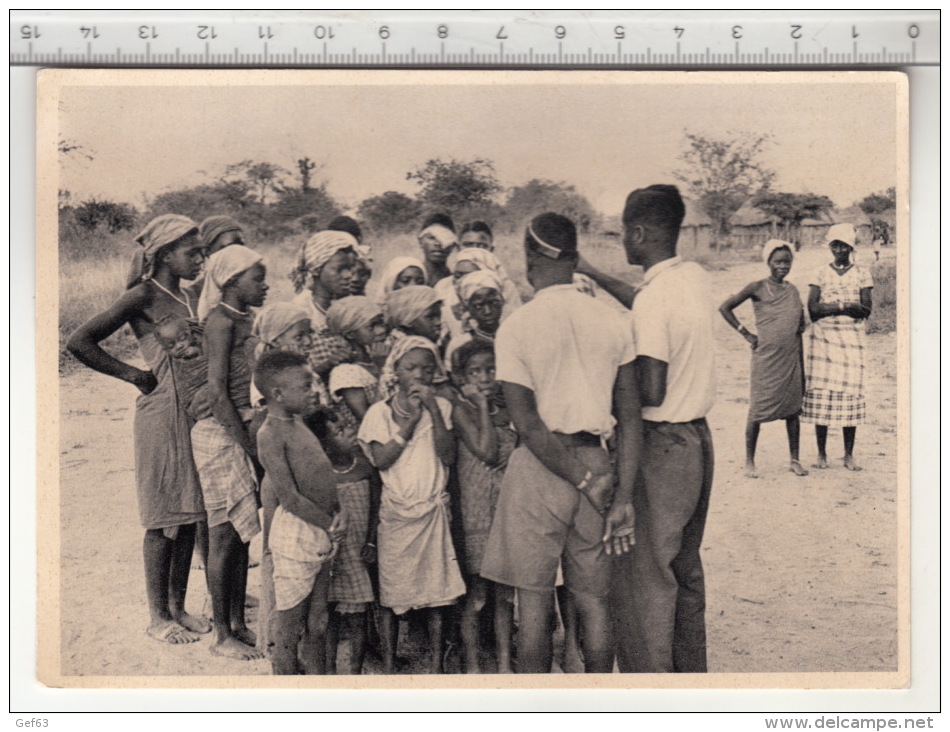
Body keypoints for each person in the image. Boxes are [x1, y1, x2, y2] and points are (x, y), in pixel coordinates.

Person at [480, 212, 641, 674]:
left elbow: (527, 424)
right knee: (594, 602)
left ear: (532, 255)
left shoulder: (517, 325)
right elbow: (631, 419)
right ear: (574, 256)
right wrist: (618, 493)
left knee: (532, 609)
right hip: (600, 461)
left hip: (540, 468)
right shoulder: (612, 320)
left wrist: (581, 480)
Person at [66, 214, 210, 645]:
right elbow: (79, 341)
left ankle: (178, 607)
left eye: (202, 251)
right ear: (164, 254)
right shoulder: (142, 294)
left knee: (191, 513)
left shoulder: (184, 295)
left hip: (191, 411)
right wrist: (134, 375)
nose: (200, 259)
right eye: (192, 252)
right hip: (161, 413)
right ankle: (156, 616)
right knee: (163, 515)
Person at [611, 184, 716, 674]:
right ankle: (691, 678)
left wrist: (609, 376)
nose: (621, 244)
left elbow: (650, 390)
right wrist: (592, 275)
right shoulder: (691, 278)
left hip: (662, 445)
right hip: (698, 439)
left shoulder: (654, 300)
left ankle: (649, 695)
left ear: (638, 232)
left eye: (622, 234)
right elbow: (645, 300)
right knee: (684, 569)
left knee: (647, 578)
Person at [357, 336, 465, 674]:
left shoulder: (443, 408)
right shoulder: (379, 412)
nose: (420, 374)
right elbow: (381, 460)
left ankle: (435, 665)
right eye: (411, 367)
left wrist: (432, 410)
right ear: (395, 372)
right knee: (392, 595)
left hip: (432, 513)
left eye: (427, 369)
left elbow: (448, 456)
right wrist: (410, 422)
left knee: (437, 595)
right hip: (396, 515)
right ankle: (389, 664)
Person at [191, 245, 268, 660]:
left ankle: (237, 622)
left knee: (240, 537)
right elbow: (218, 394)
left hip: (240, 428)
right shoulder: (220, 321)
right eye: (258, 277)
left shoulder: (247, 319)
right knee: (223, 537)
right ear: (232, 281)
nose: (266, 284)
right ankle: (222, 635)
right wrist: (249, 444)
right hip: (223, 434)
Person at [253, 350, 346, 674]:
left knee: (318, 621)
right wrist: (330, 524)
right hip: (298, 534)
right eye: (305, 387)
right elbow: (289, 497)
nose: (313, 392)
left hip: (321, 530)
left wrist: (334, 518)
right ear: (278, 394)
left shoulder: (299, 422)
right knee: (289, 628)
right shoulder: (270, 434)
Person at [451, 340, 516, 673]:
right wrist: (480, 406)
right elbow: (488, 452)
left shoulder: (507, 409)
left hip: (505, 510)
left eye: (491, 369)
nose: (485, 377)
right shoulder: (462, 410)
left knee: (505, 595)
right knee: (476, 596)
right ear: (462, 376)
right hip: (476, 513)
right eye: (475, 372)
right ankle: (473, 664)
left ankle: (505, 663)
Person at [719, 239, 809, 478]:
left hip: (790, 358)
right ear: (768, 262)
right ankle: (749, 461)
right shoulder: (756, 287)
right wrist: (746, 333)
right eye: (777, 261)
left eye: (787, 262)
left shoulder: (792, 290)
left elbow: (798, 328)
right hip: (766, 358)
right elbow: (725, 308)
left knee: (793, 410)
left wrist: (800, 363)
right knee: (757, 408)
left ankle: (794, 460)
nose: (782, 266)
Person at [305, 409, 379, 675]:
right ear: (324, 444)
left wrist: (371, 543)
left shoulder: (363, 465)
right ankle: (329, 672)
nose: (349, 432)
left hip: (358, 553)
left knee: (359, 616)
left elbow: (375, 506)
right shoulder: (319, 473)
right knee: (330, 616)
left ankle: (355, 673)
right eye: (338, 431)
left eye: (346, 426)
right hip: (332, 556)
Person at [801, 223, 873, 471]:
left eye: (844, 245)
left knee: (849, 395)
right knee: (822, 394)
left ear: (852, 247)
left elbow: (865, 309)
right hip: (823, 341)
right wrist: (844, 306)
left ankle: (848, 454)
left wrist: (830, 306)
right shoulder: (819, 272)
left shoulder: (862, 273)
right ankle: (821, 454)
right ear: (830, 246)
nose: (840, 249)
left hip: (852, 341)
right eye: (835, 245)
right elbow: (813, 309)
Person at [289, 230, 360, 378]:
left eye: (350, 268)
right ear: (317, 269)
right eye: (340, 269)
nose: (349, 276)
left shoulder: (347, 305)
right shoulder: (299, 312)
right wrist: (328, 365)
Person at [437, 247, 522, 346]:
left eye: (469, 275)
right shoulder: (445, 312)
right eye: (457, 275)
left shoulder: (513, 319)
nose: (461, 281)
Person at [326, 296, 388, 427]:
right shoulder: (346, 372)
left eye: (381, 323)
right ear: (350, 334)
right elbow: (369, 421)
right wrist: (384, 370)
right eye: (372, 326)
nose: (381, 330)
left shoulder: (378, 359)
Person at [444, 269, 506, 373]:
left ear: (502, 302)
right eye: (479, 306)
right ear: (467, 307)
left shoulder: (515, 336)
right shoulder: (459, 344)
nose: (488, 311)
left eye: (494, 303)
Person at [417, 213, 457, 285]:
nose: (438, 244)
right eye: (432, 238)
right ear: (420, 242)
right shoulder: (410, 279)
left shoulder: (455, 282)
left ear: (452, 245)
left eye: (444, 238)